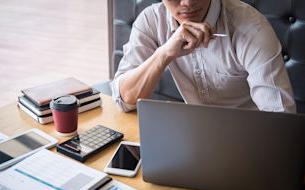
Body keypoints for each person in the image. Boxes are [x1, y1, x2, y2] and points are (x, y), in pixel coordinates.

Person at [110, 0, 296, 113]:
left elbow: (279, 116)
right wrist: (164, 54)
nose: (188, 3)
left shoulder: (251, 28)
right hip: (195, 136)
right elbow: (125, 99)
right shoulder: (150, 21)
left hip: (250, 140)